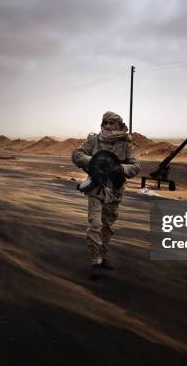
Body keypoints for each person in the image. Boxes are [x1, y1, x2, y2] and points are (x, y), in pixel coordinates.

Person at [71, 111, 140, 279]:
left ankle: (103, 257)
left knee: (107, 226)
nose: (108, 126)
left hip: (115, 190)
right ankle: (95, 261)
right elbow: (76, 155)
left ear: (118, 125)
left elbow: (135, 166)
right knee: (95, 224)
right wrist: (94, 160)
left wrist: (120, 168)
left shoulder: (126, 144)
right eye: (105, 123)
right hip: (96, 188)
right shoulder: (94, 140)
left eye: (112, 123)